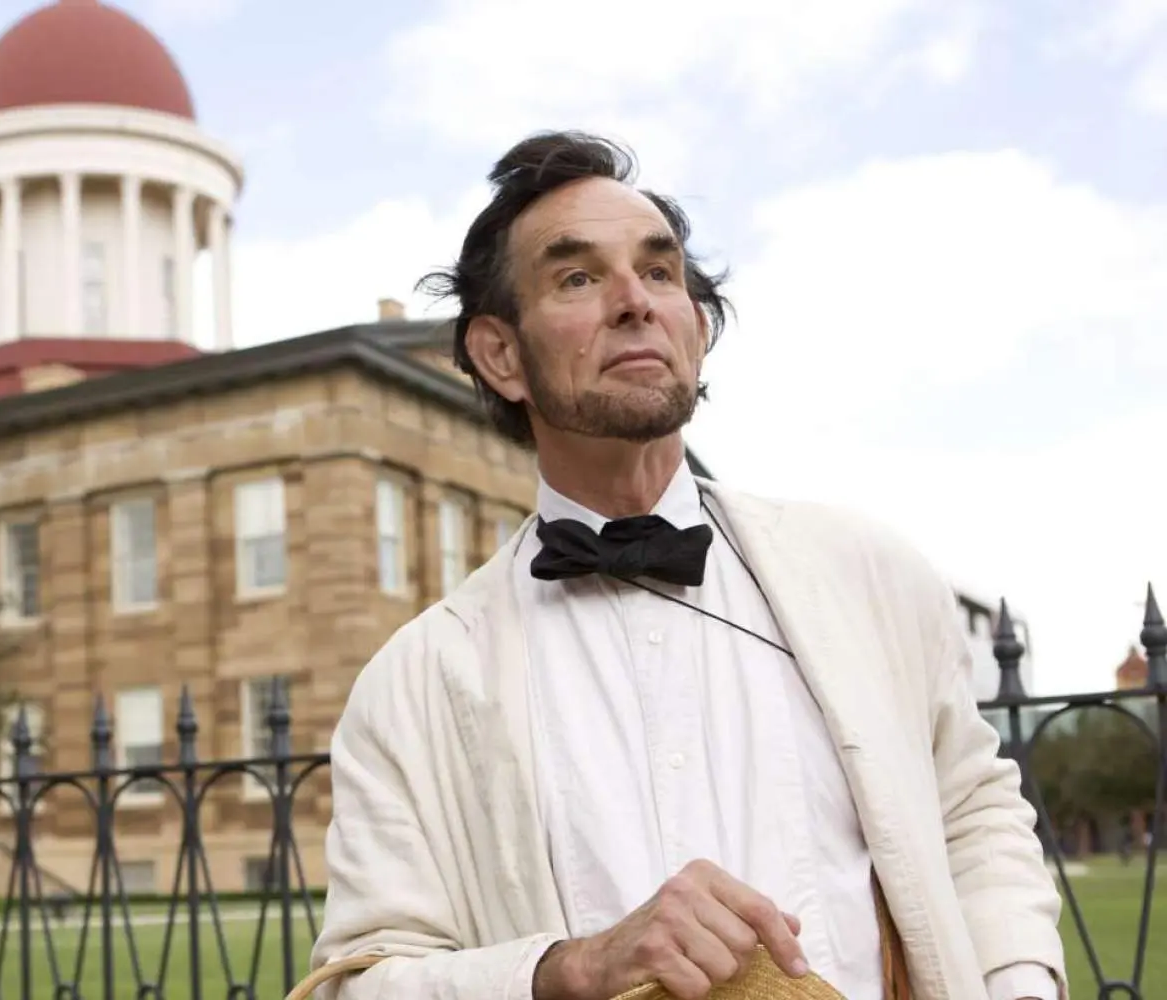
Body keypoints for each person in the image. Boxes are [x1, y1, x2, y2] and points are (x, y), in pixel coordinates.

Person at [306, 131, 1065, 1000]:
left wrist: (1021, 986)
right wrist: (572, 968)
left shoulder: (870, 575)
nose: (635, 301)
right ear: (500, 355)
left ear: (697, 330)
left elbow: (974, 818)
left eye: (660, 272)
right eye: (578, 278)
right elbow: (356, 983)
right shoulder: (412, 684)